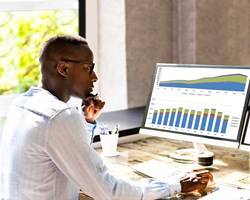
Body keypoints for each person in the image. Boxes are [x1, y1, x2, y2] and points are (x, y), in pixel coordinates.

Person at [0, 34, 213, 200]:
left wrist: (87, 122)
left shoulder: (23, 104)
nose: (94, 76)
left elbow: (66, 158)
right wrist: (175, 185)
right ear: (64, 68)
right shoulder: (59, 116)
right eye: (88, 68)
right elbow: (109, 192)